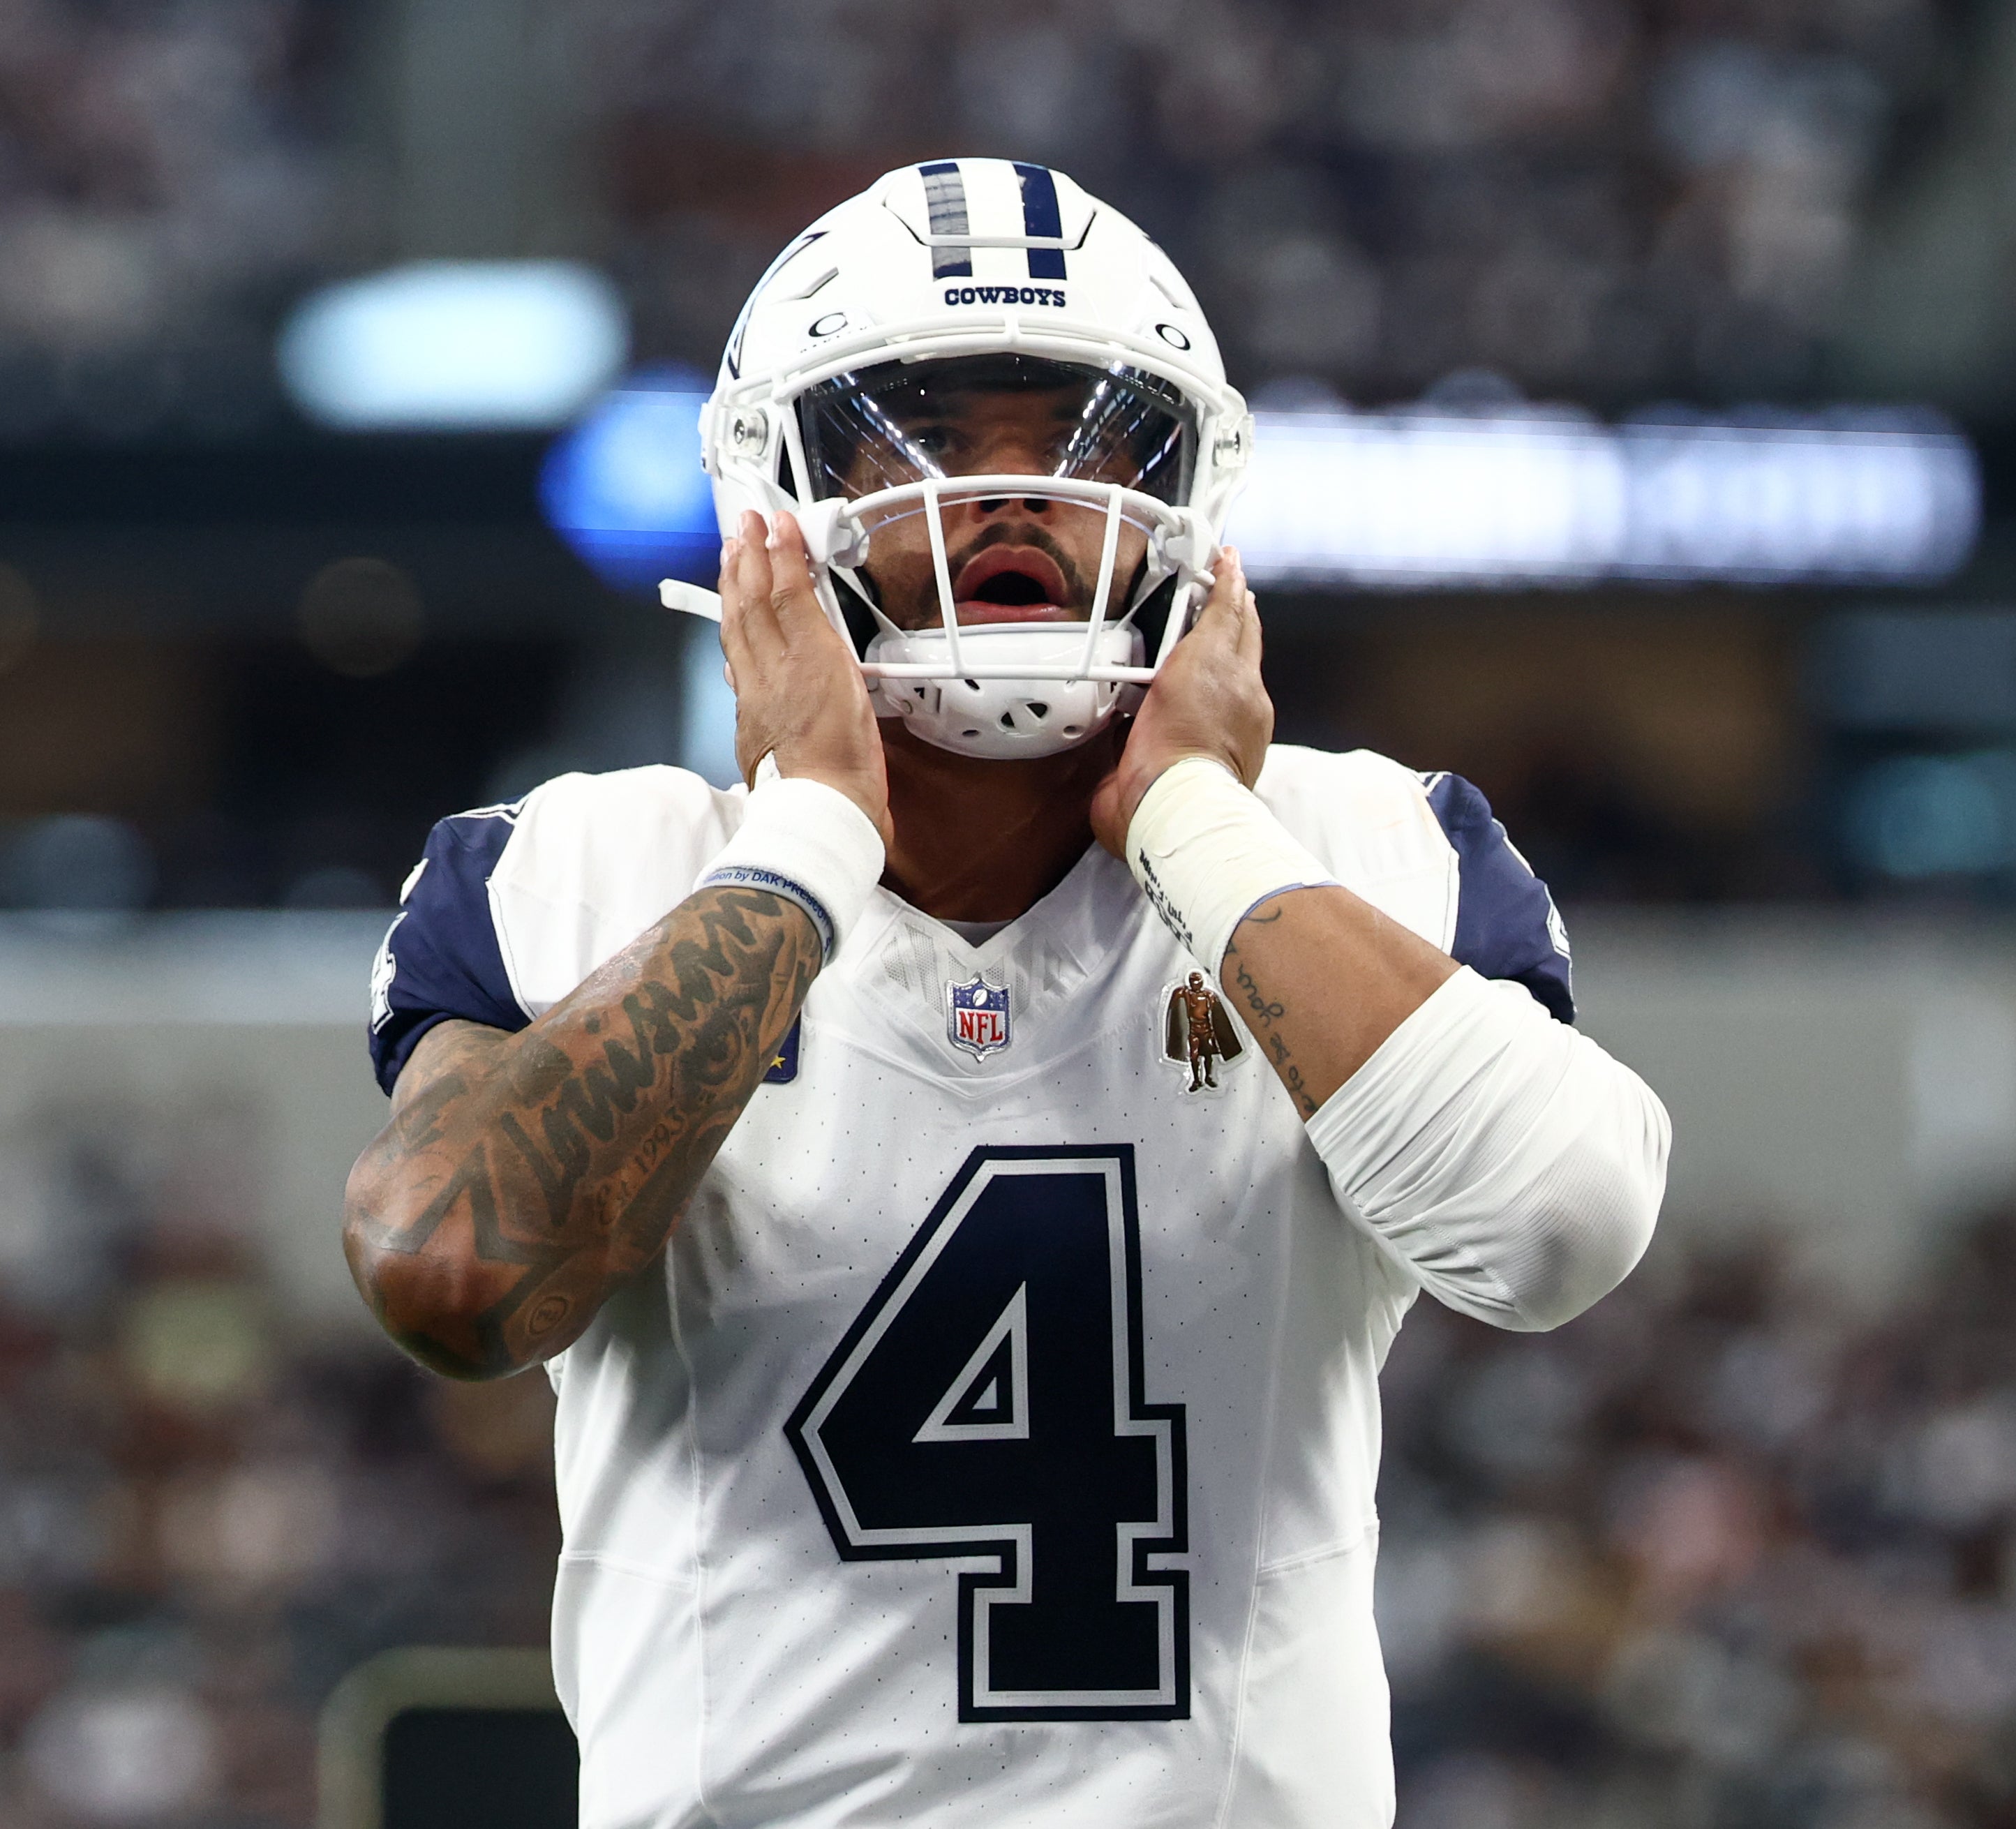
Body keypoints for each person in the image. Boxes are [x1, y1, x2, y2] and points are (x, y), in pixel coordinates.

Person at [343, 158, 1668, 1828]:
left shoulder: (1365, 843)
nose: (1018, 495)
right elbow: (454, 1273)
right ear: (777, 494)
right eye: (933, 440)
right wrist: (811, 841)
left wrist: (1194, 828)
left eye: (1088, 439)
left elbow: (1559, 1233)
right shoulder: (577, 865)